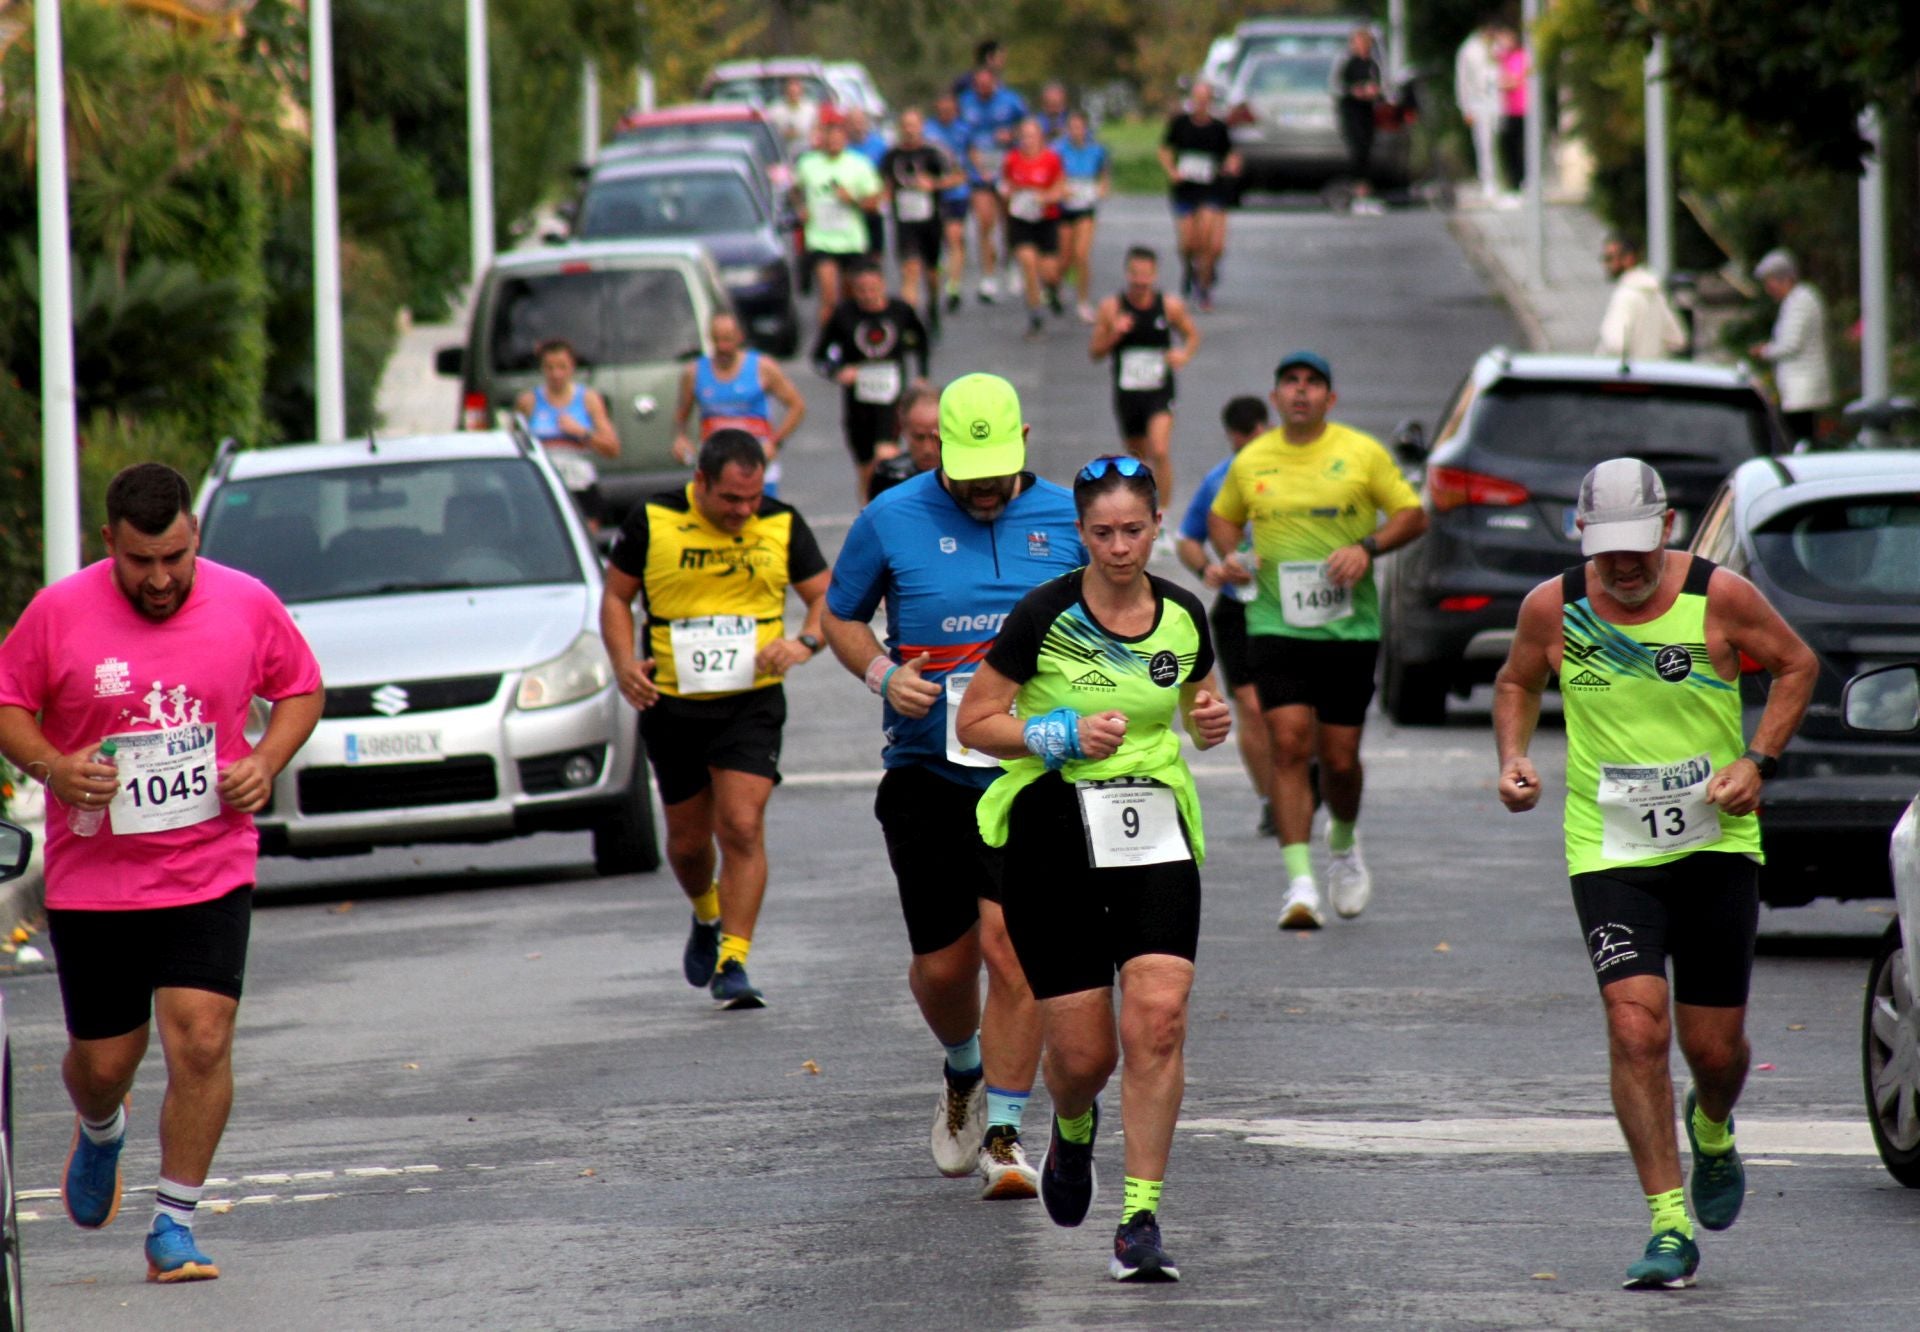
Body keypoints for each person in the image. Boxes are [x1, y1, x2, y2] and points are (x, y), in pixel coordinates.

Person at [1493, 457, 1816, 1290]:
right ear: (1581, 536)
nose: (1625, 566)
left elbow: (1797, 665)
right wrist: (1515, 758)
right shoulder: (1554, 608)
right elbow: (1516, 680)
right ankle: (1668, 1226)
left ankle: (1712, 1125)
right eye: (1607, 550)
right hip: (1611, 851)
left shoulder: (1721, 598)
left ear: (1667, 528)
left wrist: (1758, 760)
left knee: (1716, 1051)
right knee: (1637, 1027)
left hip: (1715, 845)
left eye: (1638, 546)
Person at [0, 463, 324, 1284]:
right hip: (95, 878)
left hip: (208, 864)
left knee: (202, 1038)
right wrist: (53, 766)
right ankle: (100, 1126)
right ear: (109, 541)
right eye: (142, 561)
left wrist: (266, 759)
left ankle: (174, 1222)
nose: (160, 578)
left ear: (194, 536)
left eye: (175, 557)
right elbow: (8, 703)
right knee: (106, 1061)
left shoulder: (246, 600)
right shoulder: (59, 611)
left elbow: (301, 688)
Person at [956, 454, 1232, 1283]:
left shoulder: (1183, 616)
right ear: (1080, 534)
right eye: (1103, 533)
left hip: (1152, 829)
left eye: (1135, 530)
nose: (1120, 547)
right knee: (1083, 1057)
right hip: (1051, 833)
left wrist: (1209, 720)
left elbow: (1196, 700)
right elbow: (976, 720)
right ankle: (1073, 1126)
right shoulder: (1043, 615)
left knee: (1158, 1017)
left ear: (1156, 526)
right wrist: (1060, 735)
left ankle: (1140, 1217)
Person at [824, 372, 1087, 1199]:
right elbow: (837, 615)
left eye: (999, 474)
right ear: (939, 450)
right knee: (944, 969)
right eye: (971, 473)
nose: (984, 490)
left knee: (1013, 949)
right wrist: (879, 672)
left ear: (1025, 444)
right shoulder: (890, 517)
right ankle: (964, 1068)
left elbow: (1118, 610)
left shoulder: (1063, 519)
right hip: (927, 773)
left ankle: (1007, 1134)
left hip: (1029, 771)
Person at [600, 431, 830, 1010]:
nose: (744, 511)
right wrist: (624, 664)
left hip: (751, 702)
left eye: (752, 498)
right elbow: (615, 597)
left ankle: (734, 960)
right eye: (731, 499)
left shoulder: (781, 522)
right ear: (700, 481)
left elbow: (829, 598)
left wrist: (802, 643)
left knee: (742, 825)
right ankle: (706, 913)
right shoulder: (652, 519)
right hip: (671, 702)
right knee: (686, 843)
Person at [1207, 351, 1428, 929]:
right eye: (1290, 383)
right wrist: (1233, 556)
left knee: (1339, 759)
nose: (1300, 392)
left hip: (1348, 629)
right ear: (1276, 397)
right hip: (1275, 623)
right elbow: (1222, 517)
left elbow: (1412, 514)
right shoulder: (1253, 458)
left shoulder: (1361, 452)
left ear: (1330, 399)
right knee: (1287, 742)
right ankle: (1300, 882)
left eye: (1313, 384)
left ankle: (1345, 841)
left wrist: (1367, 548)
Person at [1175, 395, 1277, 835]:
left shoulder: (1294, 471)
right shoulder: (1220, 480)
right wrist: (1208, 569)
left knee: (1297, 709)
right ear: (1233, 439)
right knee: (1252, 708)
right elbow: (1187, 538)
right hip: (1240, 607)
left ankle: (1299, 769)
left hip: (1292, 608)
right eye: (1244, 442)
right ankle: (1272, 799)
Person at [1088, 246, 1200, 525]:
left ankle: (1165, 517)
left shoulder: (1169, 306)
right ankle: (1141, 516)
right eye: (1135, 274)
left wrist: (1182, 355)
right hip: (1128, 392)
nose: (1140, 281)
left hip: (1159, 389)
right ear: (1128, 273)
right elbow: (1095, 353)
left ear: (1154, 274)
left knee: (1160, 450)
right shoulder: (1112, 307)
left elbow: (1192, 335)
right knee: (1136, 459)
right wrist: (1115, 333)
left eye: (1146, 275)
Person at [813, 259, 932, 501]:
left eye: (873, 289)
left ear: (883, 285)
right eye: (862, 291)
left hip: (891, 400)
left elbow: (922, 342)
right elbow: (819, 356)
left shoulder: (900, 311)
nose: (868, 296)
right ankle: (869, 516)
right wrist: (838, 372)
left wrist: (921, 375)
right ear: (853, 290)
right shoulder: (843, 314)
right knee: (867, 470)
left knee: (886, 457)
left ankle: (895, 511)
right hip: (858, 404)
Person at [672, 312, 806, 497]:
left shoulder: (763, 367)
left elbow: (797, 406)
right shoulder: (694, 372)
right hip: (714, 464)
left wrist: (774, 443)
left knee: (762, 522)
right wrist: (680, 438)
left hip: (756, 461)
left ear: (740, 337)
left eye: (727, 340)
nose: (722, 347)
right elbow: (681, 416)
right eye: (716, 340)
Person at [793, 113, 884, 327]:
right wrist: (801, 208)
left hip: (852, 241)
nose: (833, 142)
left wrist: (852, 199)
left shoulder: (859, 164)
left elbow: (874, 203)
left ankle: (851, 339)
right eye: (828, 137)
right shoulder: (808, 164)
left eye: (838, 137)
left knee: (853, 297)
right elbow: (795, 191)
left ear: (845, 138)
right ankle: (827, 345)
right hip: (821, 240)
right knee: (829, 296)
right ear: (821, 139)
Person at [514, 337, 620, 520]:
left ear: (572, 367)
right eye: (550, 367)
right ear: (542, 369)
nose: (556, 374)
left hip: (580, 485)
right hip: (542, 486)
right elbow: (515, 445)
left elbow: (613, 449)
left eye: (562, 367)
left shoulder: (589, 399)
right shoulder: (528, 402)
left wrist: (581, 432)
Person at [879, 108, 966, 328]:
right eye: (905, 125)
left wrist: (934, 184)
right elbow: (884, 184)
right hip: (905, 222)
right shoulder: (892, 156)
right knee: (910, 270)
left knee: (931, 273)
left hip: (931, 220)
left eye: (913, 125)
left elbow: (959, 176)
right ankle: (909, 322)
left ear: (921, 127)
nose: (909, 130)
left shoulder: (934, 152)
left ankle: (933, 306)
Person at [1158, 83, 1238, 310]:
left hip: (1211, 189)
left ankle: (1205, 289)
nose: (1201, 103)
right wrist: (1172, 171)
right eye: (1197, 98)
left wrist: (1231, 166)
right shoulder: (1180, 124)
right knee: (1187, 243)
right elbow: (1164, 150)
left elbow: (1230, 154)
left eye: (1205, 99)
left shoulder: (1218, 127)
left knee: (1207, 241)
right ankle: (1189, 268)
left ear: (1210, 101)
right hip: (1186, 189)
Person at [958, 64, 1028, 305]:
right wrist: (973, 161)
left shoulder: (1011, 101)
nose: (983, 89)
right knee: (984, 222)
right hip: (980, 172)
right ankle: (988, 276)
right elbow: (962, 135)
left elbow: (1027, 129)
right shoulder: (965, 102)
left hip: (1006, 169)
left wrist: (1012, 135)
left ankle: (1011, 265)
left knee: (1009, 221)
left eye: (987, 84)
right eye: (978, 85)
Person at [1749, 249, 1833, 444]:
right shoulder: (1798, 299)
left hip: (1803, 388)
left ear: (1784, 279)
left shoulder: (1800, 301)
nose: (1768, 288)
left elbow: (1791, 344)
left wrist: (1764, 351)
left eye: (1769, 282)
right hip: (1799, 387)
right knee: (1801, 437)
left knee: (1800, 438)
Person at [1000, 117, 1067, 340]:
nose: (1028, 141)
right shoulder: (1012, 160)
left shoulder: (1051, 159)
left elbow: (1061, 188)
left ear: (1041, 137)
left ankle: (1052, 288)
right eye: (1024, 136)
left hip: (1046, 219)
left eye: (1032, 135)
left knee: (1048, 271)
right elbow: (1005, 185)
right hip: (1021, 219)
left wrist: (1045, 197)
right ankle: (1035, 314)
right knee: (1028, 264)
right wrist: (1010, 193)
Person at [1053, 108, 1111, 324]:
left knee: (1082, 255)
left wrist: (1102, 189)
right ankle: (1055, 287)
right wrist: (1061, 189)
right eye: (1072, 127)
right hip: (1064, 208)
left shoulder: (1097, 150)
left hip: (1085, 207)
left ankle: (1083, 300)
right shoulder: (1057, 149)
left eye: (1080, 127)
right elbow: (1052, 175)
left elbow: (1104, 176)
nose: (1077, 131)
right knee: (1065, 257)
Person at [926, 92, 979, 315]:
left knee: (954, 236)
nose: (946, 113)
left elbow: (972, 159)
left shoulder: (964, 130)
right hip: (932, 194)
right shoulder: (928, 129)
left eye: (950, 109)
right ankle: (937, 280)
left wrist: (972, 175)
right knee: (936, 241)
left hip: (956, 192)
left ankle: (953, 286)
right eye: (942, 109)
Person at [1596, 234, 1686, 361]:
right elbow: (1677, 340)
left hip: (1627, 377)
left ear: (1628, 258)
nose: (1606, 264)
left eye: (1609, 258)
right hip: (1655, 375)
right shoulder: (1656, 294)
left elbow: (1615, 344)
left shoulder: (1625, 295)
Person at [1333, 28, 1387, 216]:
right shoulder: (1347, 63)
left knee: (1366, 148)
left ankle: (1365, 188)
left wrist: (1374, 92)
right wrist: (1355, 91)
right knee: (1356, 149)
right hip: (1351, 112)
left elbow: (1380, 87)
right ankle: (1357, 189)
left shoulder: (1372, 64)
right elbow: (1339, 86)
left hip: (1367, 112)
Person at [866, 381, 943, 500]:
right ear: (904, 430)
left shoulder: (965, 479)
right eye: (919, 437)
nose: (928, 449)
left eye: (935, 438)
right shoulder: (889, 477)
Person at [1454, 18, 1502, 202]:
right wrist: (1465, 107)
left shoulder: (1498, 46)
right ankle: (1488, 182)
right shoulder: (1469, 49)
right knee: (1485, 143)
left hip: (1499, 100)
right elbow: (1463, 80)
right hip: (1478, 102)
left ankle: (1503, 180)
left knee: (1500, 142)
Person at [845, 106, 892, 257]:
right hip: (848, 205)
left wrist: (884, 197)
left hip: (872, 203)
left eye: (860, 122)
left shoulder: (880, 145)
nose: (857, 126)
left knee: (875, 251)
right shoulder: (843, 146)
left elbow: (887, 175)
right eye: (853, 123)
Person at [1496, 26, 1528, 202]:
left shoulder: (1520, 56)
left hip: (1522, 108)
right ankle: (1513, 183)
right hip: (1509, 109)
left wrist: (1501, 83)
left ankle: (1522, 182)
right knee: (1509, 148)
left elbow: (1513, 81)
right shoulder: (1503, 58)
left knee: (1519, 148)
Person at [765, 77, 819, 156]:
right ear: (785, 92)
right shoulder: (774, 110)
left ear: (801, 91)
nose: (793, 94)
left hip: (807, 151)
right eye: (791, 92)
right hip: (782, 152)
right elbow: (768, 133)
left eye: (796, 92)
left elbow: (816, 130)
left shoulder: (810, 109)